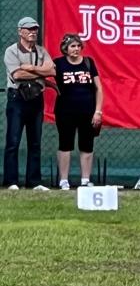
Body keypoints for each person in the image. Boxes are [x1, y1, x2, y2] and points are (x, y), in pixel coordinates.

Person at [4, 16, 52, 191]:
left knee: (35, 142)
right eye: (29, 29)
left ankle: (34, 181)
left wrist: (31, 68)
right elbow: (17, 75)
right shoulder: (12, 51)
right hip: (17, 98)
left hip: (36, 98)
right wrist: (41, 74)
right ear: (20, 31)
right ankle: (11, 181)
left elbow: (52, 69)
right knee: (13, 140)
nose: (33, 32)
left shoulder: (41, 51)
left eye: (35, 29)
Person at [52, 34, 102, 189]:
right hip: (65, 111)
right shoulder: (58, 63)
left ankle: (85, 180)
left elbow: (98, 88)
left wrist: (98, 111)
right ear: (65, 48)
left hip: (87, 111)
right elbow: (43, 75)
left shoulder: (88, 62)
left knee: (87, 146)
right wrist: (51, 85)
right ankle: (64, 180)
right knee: (65, 144)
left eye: (78, 46)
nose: (76, 49)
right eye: (72, 46)